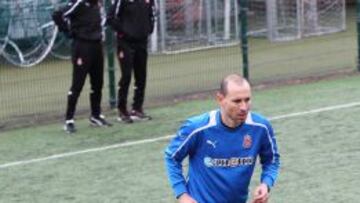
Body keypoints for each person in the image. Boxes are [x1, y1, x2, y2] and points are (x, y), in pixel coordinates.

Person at [164, 74, 280, 203]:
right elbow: (172, 157)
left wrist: (266, 184)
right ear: (220, 99)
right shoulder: (197, 127)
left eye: (247, 100)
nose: (243, 107)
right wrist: (182, 195)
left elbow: (272, 160)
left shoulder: (261, 127)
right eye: (237, 101)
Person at [53, 0, 112, 133]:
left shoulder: (97, 5)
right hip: (82, 47)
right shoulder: (78, 3)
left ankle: (95, 116)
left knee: (98, 83)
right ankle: (69, 120)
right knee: (77, 84)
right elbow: (57, 15)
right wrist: (68, 32)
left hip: (97, 46)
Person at [107, 0, 156, 123]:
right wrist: (123, 31)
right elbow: (110, 17)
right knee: (126, 76)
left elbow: (152, 14)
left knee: (141, 76)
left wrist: (148, 29)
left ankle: (137, 109)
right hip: (125, 43)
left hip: (142, 41)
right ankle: (122, 110)